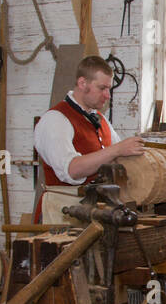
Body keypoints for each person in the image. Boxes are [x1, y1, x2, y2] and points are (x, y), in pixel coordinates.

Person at [33, 55, 145, 222]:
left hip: (95, 213)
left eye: (109, 89)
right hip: (62, 213)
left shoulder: (100, 119)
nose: (108, 95)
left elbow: (119, 157)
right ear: (82, 83)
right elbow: (72, 170)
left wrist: (158, 152)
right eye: (102, 88)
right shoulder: (55, 120)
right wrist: (117, 149)